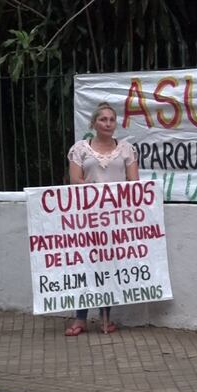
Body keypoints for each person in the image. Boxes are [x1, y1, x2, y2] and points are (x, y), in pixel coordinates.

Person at [64, 102, 139, 336]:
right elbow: (74, 179)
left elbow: (133, 182)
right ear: (94, 123)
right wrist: (94, 189)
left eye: (111, 120)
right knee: (84, 265)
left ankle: (106, 317)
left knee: (108, 265)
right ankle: (80, 319)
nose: (108, 123)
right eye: (103, 119)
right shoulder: (80, 149)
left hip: (115, 217)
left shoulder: (126, 149)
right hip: (86, 217)